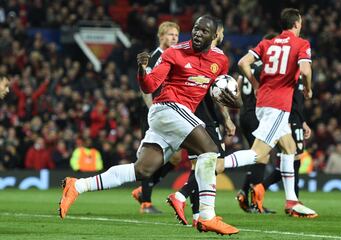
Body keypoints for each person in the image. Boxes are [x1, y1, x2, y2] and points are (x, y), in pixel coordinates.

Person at [58, 15, 239, 235]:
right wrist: (143, 71)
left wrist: (235, 105)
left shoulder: (220, 60)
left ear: (214, 36)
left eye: (203, 31)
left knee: (142, 170)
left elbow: (221, 91)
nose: (197, 34)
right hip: (167, 109)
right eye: (195, 29)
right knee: (210, 151)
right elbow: (150, 85)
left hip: (176, 118)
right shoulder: (175, 53)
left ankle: (77, 186)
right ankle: (207, 217)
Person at [218, 8, 317, 217]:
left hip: (264, 103)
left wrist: (255, 83)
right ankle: (217, 163)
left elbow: (243, 62)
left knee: (289, 149)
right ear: (297, 24)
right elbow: (306, 71)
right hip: (278, 105)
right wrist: (308, 88)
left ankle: (292, 202)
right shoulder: (301, 44)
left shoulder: (268, 43)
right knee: (258, 154)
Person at [166, 20, 236, 227]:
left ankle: (198, 215)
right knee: (215, 163)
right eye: (220, 32)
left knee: (202, 164)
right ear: (217, 33)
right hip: (203, 115)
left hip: (190, 114)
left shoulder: (212, 56)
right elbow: (219, 95)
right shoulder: (216, 57)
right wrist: (227, 118)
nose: (221, 35)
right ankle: (181, 196)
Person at [131, 21, 181, 214]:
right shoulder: (154, 57)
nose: (174, 38)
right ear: (161, 37)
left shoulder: (174, 56)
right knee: (151, 156)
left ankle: (143, 190)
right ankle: (146, 202)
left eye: (176, 35)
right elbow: (145, 87)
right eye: (170, 35)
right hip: (153, 113)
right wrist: (152, 108)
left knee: (175, 157)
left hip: (169, 113)